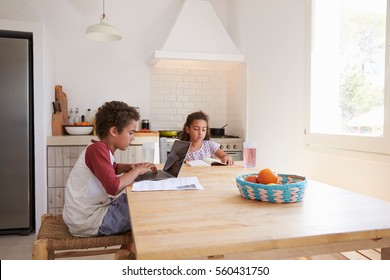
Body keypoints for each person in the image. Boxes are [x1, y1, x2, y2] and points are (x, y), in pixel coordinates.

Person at [62, 101, 157, 238]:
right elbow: (113, 187)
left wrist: (134, 166)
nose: (133, 137)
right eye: (130, 133)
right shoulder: (97, 150)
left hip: (90, 214)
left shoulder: (99, 148)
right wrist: (136, 171)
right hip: (89, 221)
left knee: (139, 200)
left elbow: (113, 167)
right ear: (113, 131)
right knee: (146, 209)